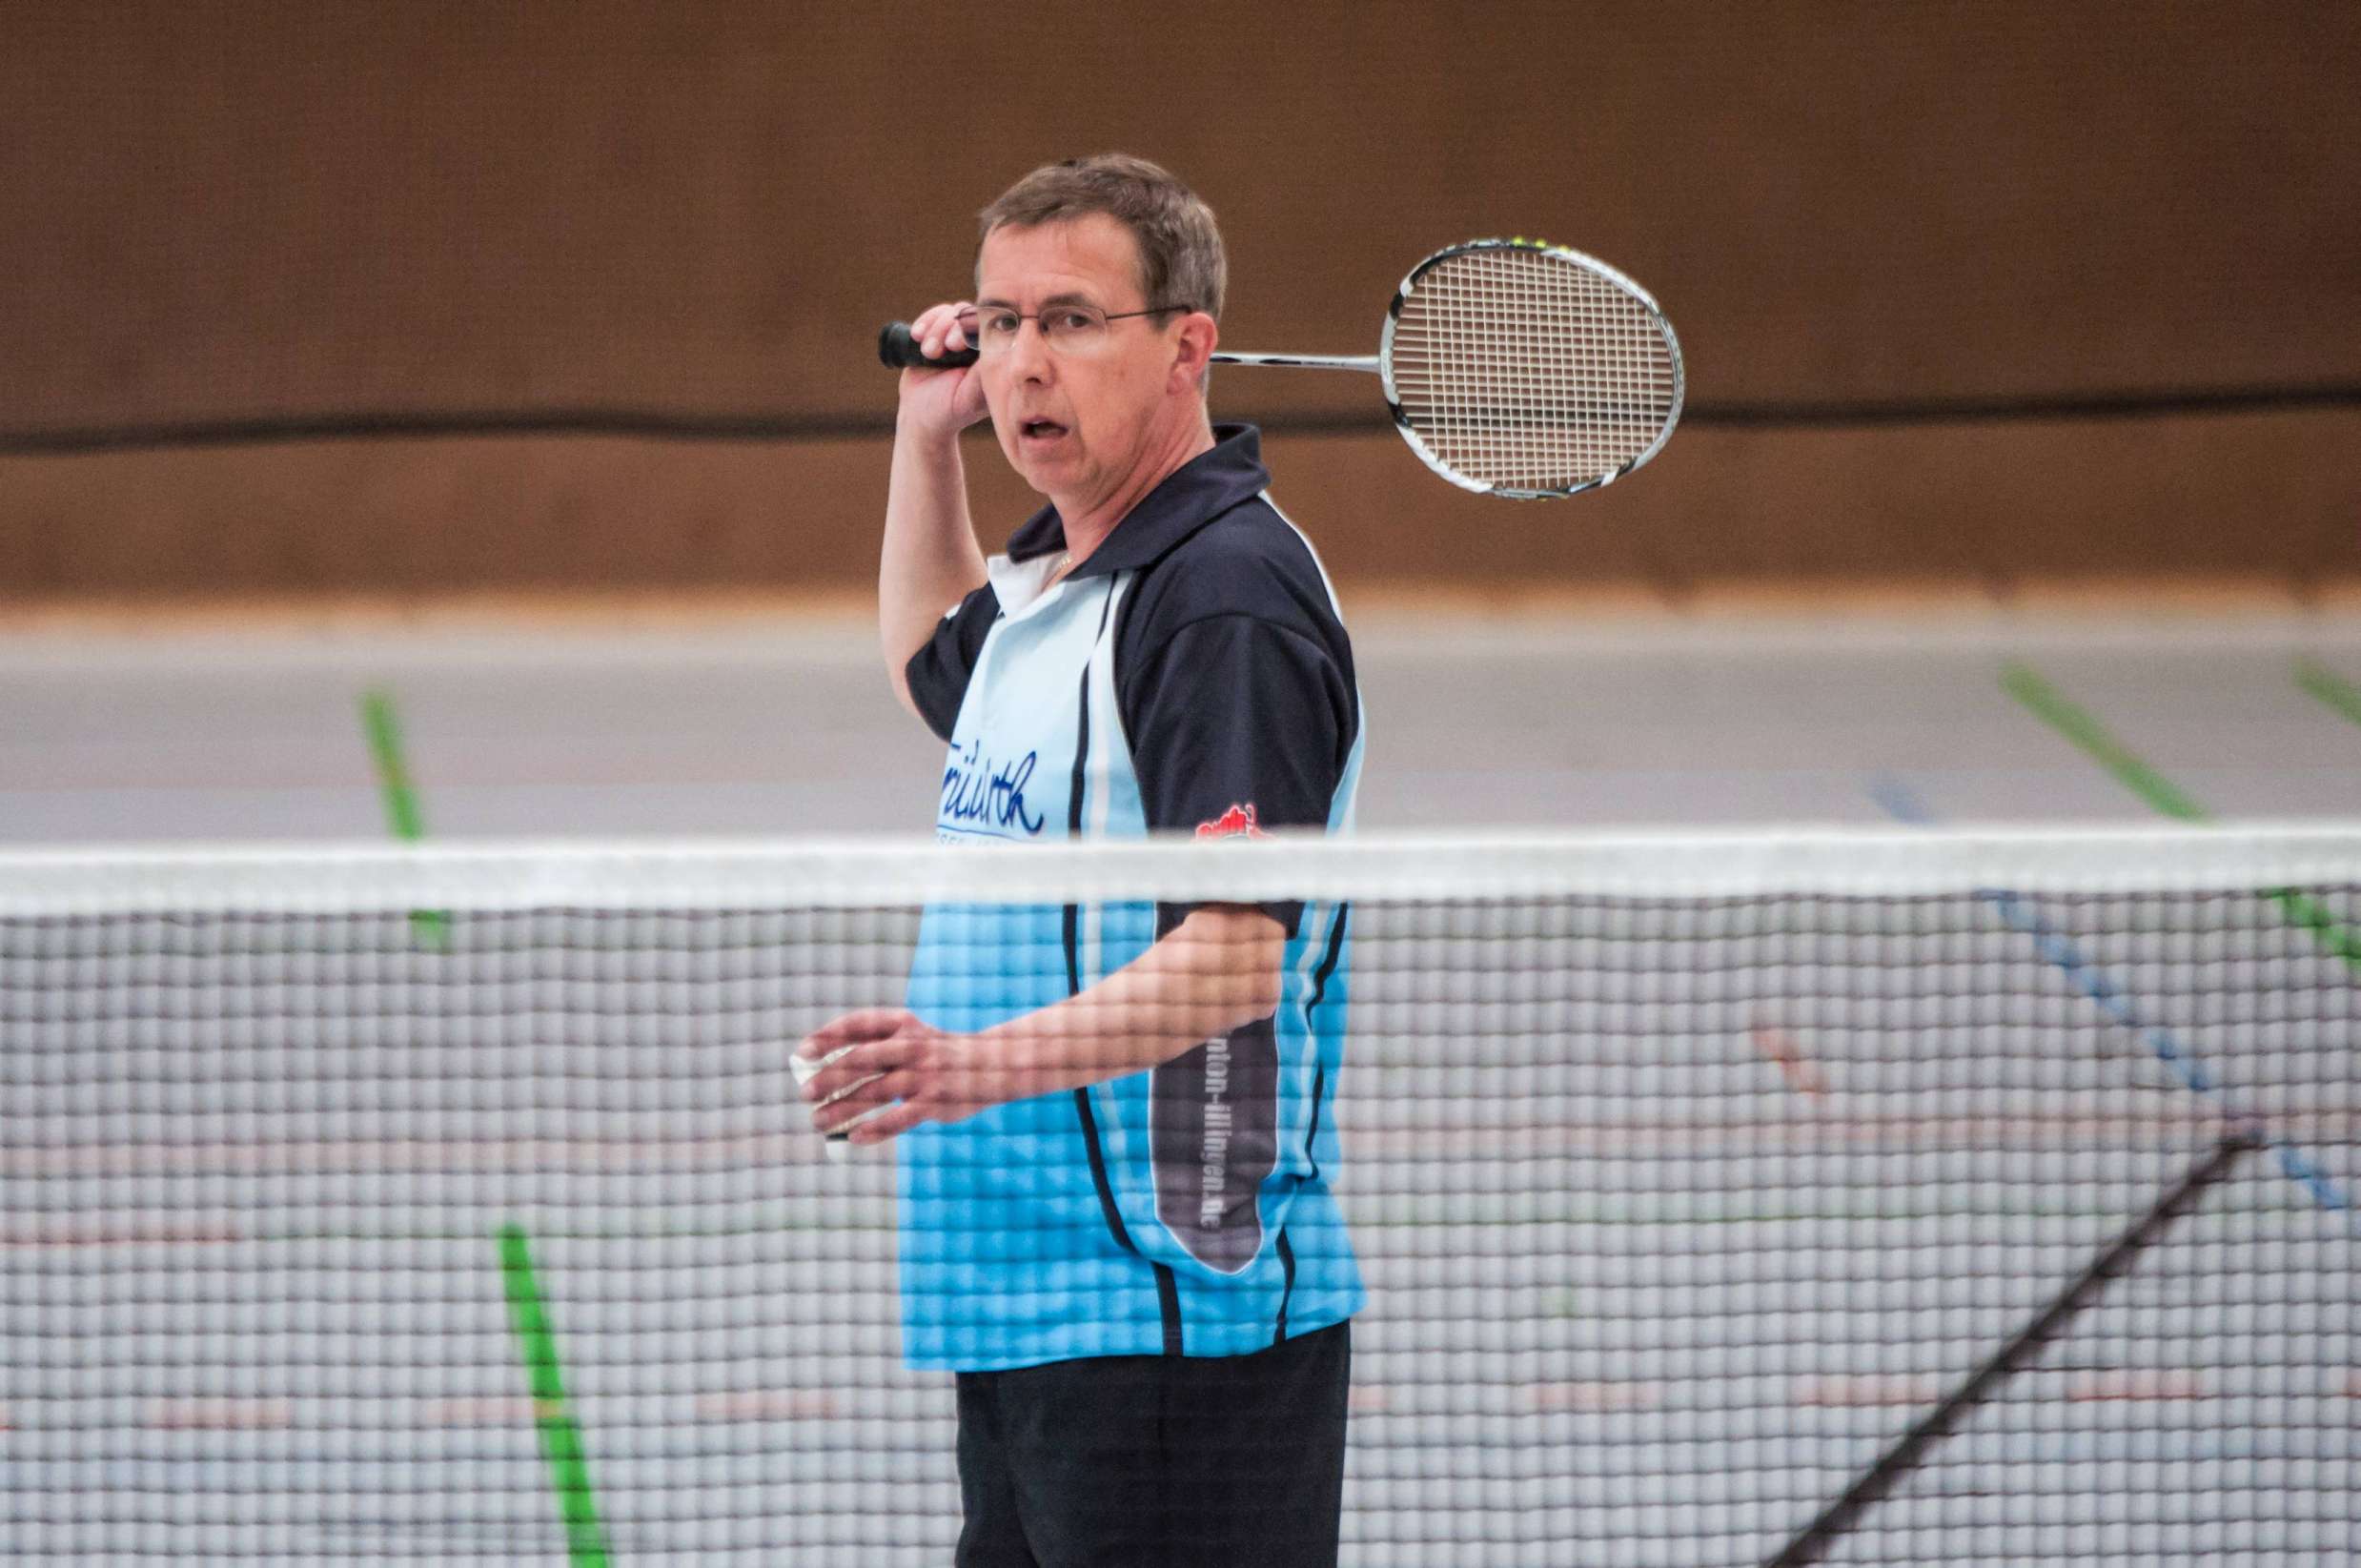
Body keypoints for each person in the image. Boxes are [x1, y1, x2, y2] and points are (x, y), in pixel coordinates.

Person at [797, 153, 1365, 1568]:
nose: (1019, 364)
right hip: (1027, 1294)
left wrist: (967, 1068)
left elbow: (1234, 958)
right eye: (998, 323)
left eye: (1068, 321)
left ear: (1186, 349)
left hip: (1168, 1321)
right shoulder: (1062, 581)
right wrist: (924, 442)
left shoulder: (1221, 603)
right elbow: (935, 667)